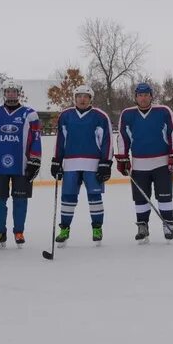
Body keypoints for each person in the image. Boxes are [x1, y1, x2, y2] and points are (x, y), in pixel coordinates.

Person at [0, 81, 42, 248]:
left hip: (22, 165)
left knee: (20, 200)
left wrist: (35, 160)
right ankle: (0, 232)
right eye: (8, 91)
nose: (11, 94)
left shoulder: (30, 114)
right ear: (4, 93)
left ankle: (18, 231)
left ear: (18, 93)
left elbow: (36, 138)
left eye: (14, 91)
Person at [116, 82, 173, 243]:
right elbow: (123, 138)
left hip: (162, 163)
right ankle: (142, 226)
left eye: (146, 95)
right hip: (139, 164)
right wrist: (123, 158)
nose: (143, 98)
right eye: (140, 95)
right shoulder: (127, 114)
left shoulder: (164, 111)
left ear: (151, 96)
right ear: (135, 97)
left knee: (164, 196)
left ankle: (168, 224)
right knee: (140, 198)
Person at [50, 84, 113, 244]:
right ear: (75, 98)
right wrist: (57, 160)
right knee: (68, 197)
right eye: (79, 96)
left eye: (86, 96)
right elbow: (60, 140)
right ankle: (64, 229)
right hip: (70, 164)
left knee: (94, 197)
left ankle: (97, 228)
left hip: (93, 164)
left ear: (90, 98)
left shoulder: (100, 116)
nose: (82, 99)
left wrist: (106, 162)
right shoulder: (66, 115)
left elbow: (107, 141)